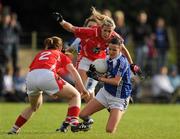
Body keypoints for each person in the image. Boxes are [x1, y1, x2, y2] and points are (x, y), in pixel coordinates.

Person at [52, 7, 140, 102]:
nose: (106, 33)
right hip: (85, 59)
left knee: (90, 90)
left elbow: (124, 50)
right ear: (100, 28)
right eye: (105, 30)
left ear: (113, 31)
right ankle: (80, 114)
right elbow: (72, 28)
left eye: (109, 31)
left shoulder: (114, 36)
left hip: (99, 62)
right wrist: (61, 20)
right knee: (80, 89)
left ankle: (123, 95)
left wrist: (131, 64)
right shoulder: (91, 32)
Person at [8, 36, 90, 134]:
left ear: (47, 46)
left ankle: (14, 129)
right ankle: (74, 123)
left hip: (31, 77)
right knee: (75, 95)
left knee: (33, 107)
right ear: (60, 47)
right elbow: (73, 71)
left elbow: (36, 70)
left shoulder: (39, 53)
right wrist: (83, 89)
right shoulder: (60, 54)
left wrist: (49, 88)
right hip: (47, 75)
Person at [79, 37, 132, 133]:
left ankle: (121, 109)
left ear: (120, 49)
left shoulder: (122, 62)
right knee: (82, 115)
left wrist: (98, 78)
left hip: (119, 98)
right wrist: (95, 70)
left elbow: (116, 81)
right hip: (105, 92)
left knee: (109, 130)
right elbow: (106, 73)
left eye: (114, 50)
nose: (111, 52)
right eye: (110, 49)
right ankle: (87, 124)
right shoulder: (107, 56)